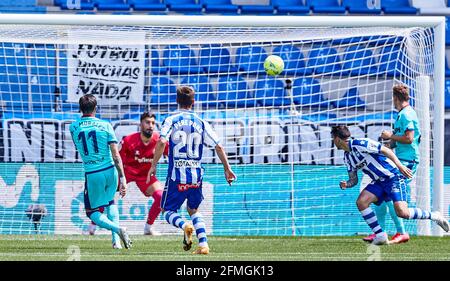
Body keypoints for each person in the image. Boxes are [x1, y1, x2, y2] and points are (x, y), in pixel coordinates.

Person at [148, 86, 236, 255]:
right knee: (193, 209)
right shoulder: (201, 122)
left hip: (176, 176)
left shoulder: (171, 119)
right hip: (196, 175)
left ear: (176, 100)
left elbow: (161, 142)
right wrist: (227, 168)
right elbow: (218, 146)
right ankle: (203, 245)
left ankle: (185, 225)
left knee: (168, 211)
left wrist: (153, 164)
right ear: (193, 102)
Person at [331, 125, 449, 245]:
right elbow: (353, 179)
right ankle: (381, 235)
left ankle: (434, 215)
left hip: (393, 177)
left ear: (337, 139)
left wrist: (400, 166)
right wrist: (347, 184)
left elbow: (385, 150)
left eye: (333, 139)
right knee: (361, 202)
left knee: (403, 213)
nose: (333, 142)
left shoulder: (360, 143)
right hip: (378, 182)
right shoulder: (347, 157)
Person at [87, 112, 168, 236]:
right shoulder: (129, 140)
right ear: (141, 124)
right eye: (147, 122)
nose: (150, 126)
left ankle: (148, 228)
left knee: (161, 197)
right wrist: (120, 178)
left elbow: (170, 155)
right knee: (106, 194)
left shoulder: (159, 141)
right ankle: (92, 227)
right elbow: (117, 159)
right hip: (127, 173)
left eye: (153, 123)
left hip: (145, 176)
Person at [70, 94, 132, 249]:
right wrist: (123, 177)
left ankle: (118, 230)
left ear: (80, 109)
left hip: (93, 173)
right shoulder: (106, 125)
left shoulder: (73, 127)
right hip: (111, 171)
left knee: (91, 212)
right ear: (96, 108)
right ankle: (116, 242)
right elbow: (116, 154)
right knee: (111, 202)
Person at [363, 84, 421, 244]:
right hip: (402, 158)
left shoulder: (406, 115)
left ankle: (402, 232)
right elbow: (401, 141)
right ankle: (380, 232)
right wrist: (385, 147)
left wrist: (390, 135)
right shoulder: (402, 114)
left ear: (395, 98)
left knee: (390, 194)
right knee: (380, 196)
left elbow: (409, 138)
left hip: (408, 161)